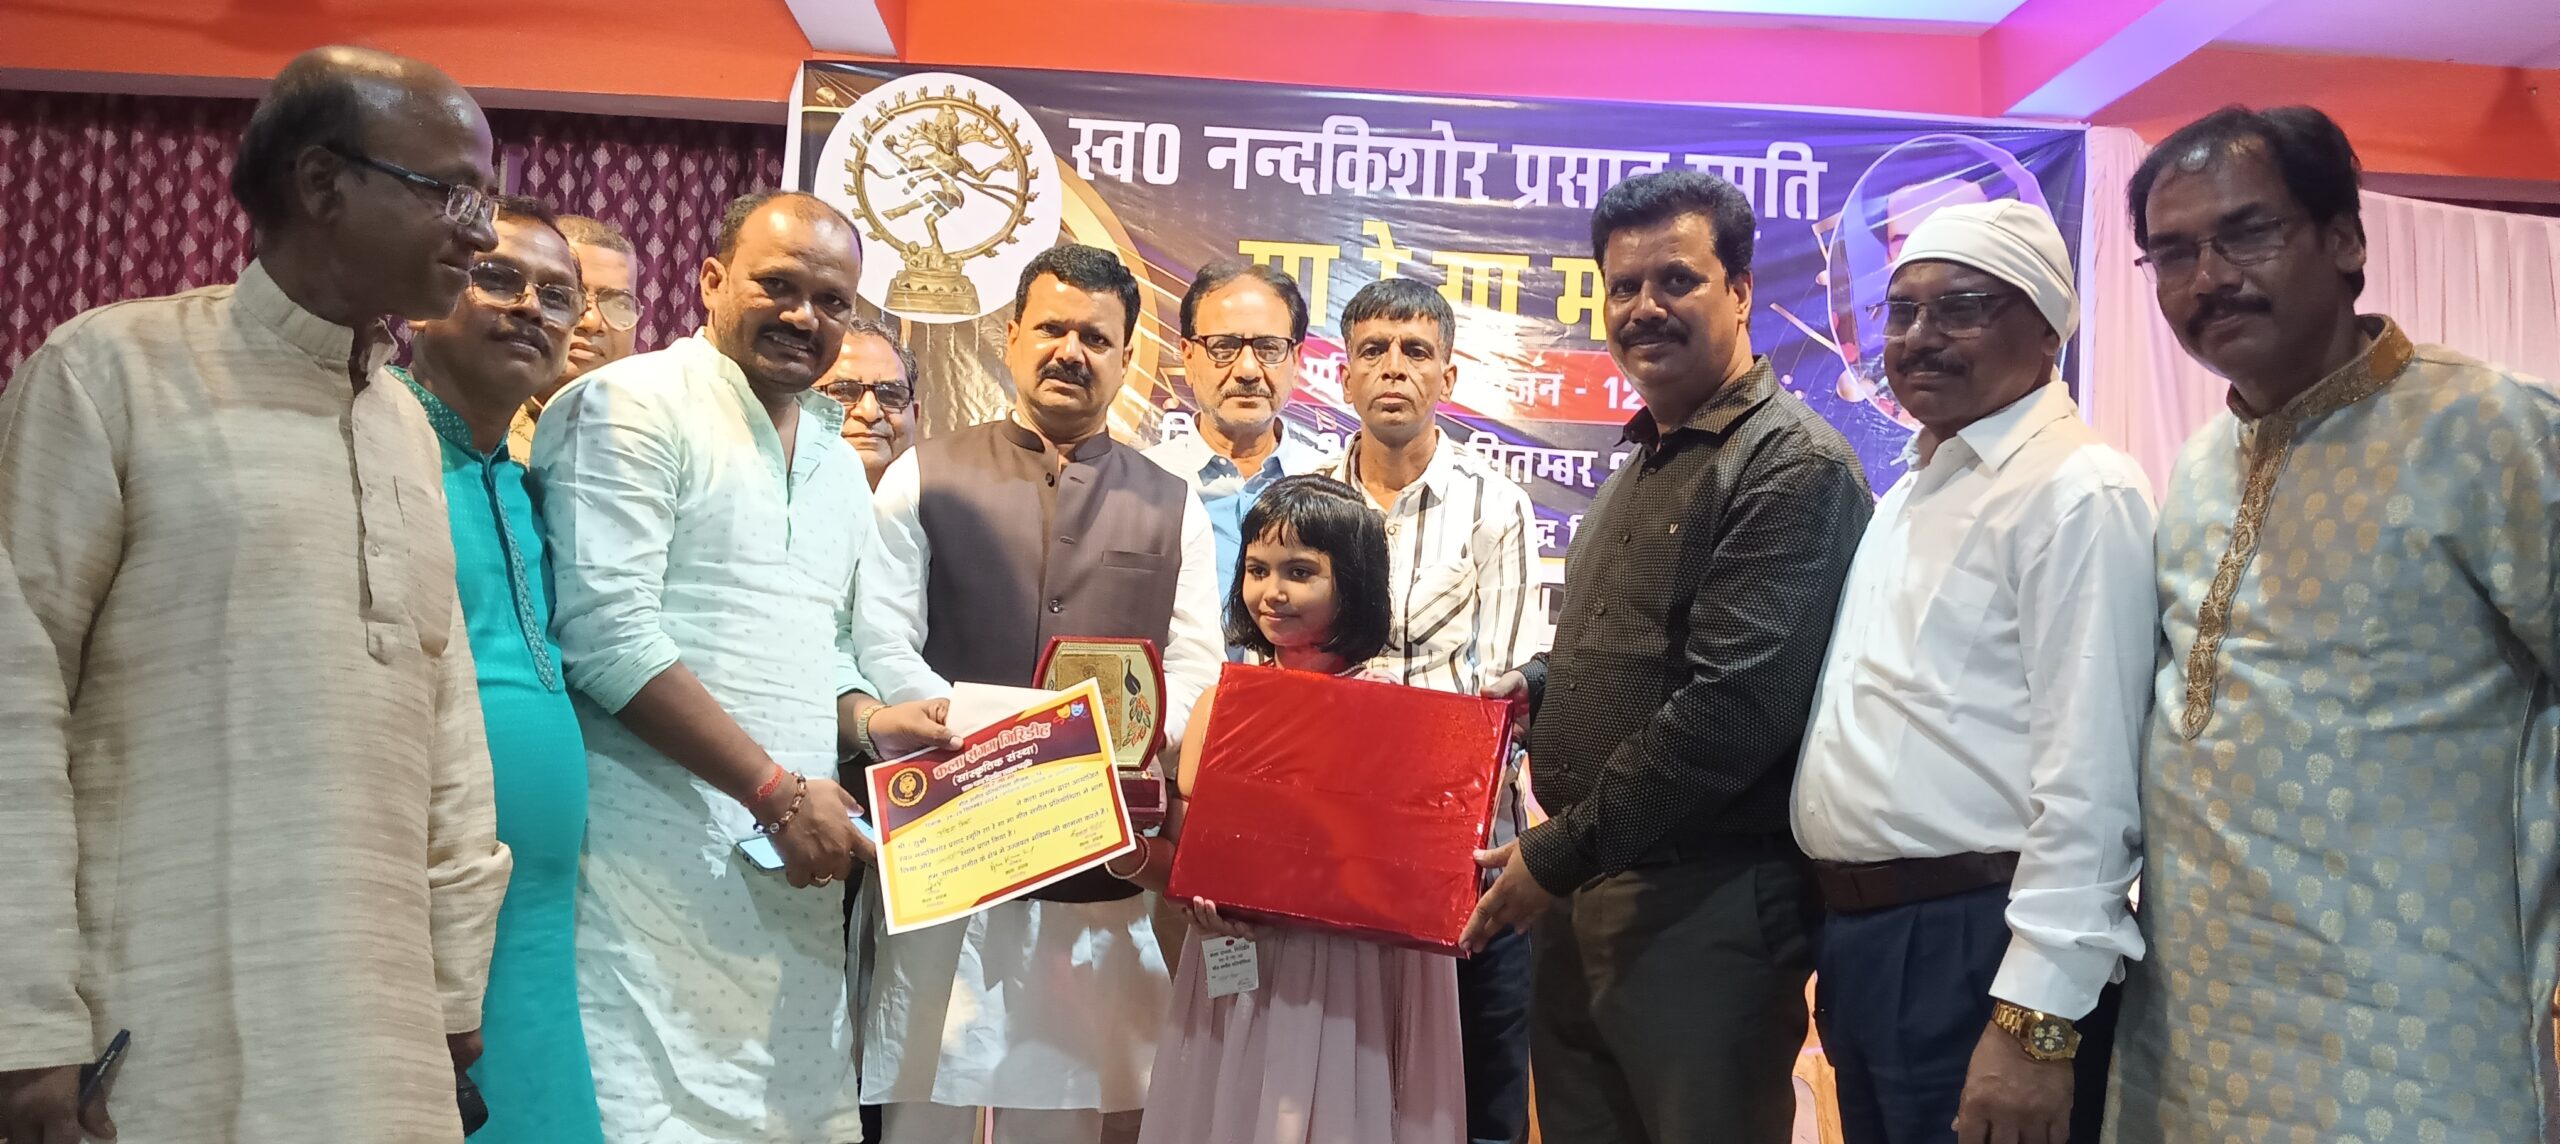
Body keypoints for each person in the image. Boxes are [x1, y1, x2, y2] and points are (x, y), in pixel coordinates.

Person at [0, 45, 514, 1143]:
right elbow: (13, 702)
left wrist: (451, 983)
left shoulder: (403, 426)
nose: (481, 233)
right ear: (322, 183)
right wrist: (23, 1022)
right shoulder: (109, 371)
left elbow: (446, 718)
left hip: (384, 1036)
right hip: (147, 1032)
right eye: (452, 193)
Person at [2107, 106, 2560, 1144]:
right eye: (2172, 254)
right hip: (2193, 1033)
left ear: (2345, 239)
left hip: (2416, 1035)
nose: (2209, 278)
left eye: (2248, 233)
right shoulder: (2200, 466)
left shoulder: (2490, 431)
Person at [1460, 169, 1874, 1144]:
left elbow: (1732, 710)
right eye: (1622, 286)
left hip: (1705, 909)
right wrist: (1539, 687)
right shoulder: (1642, 458)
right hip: (1588, 891)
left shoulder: (1790, 465)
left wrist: (1554, 854)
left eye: (1676, 280)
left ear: (1741, 290)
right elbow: (1641, 652)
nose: (1643, 306)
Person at [534, 190, 951, 1143]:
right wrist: (770, 789)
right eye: (779, 286)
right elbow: (608, 637)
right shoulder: (627, 405)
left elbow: (819, 647)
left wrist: (873, 720)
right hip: (645, 872)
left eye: (832, 301)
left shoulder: (839, 466)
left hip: (791, 877)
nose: (805, 317)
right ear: (712, 280)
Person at [1791, 200, 2151, 1144]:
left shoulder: (2078, 492)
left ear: (2048, 330)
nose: (1918, 338)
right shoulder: (1917, 486)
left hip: (1980, 947)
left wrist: (2036, 1018)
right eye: (1902, 311)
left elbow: (2095, 784)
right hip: (1870, 947)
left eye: (1960, 309)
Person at [857, 243, 1224, 1144]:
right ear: (1012, 336)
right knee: (925, 1111)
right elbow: (882, 640)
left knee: (1061, 1112)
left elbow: (1194, 666)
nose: (1071, 351)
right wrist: (989, 746)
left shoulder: (1171, 503)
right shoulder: (923, 474)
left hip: (1092, 854)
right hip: (950, 835)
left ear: (1127, 355)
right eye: (1052, 328)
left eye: (1095, 337)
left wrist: (1109, 753)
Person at [1112, 473, 1466, 1143]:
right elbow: (1184, 862)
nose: (1271, 591)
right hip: (1235, 968)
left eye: (1299, 571)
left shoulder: (1399, 716)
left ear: (1353, 580)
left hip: (1350, 981)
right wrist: (1124, 851)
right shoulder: (1220, 701)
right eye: (1257, 570)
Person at [390, 193, 607, 1144]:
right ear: (431, 290)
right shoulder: (372, 444)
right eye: (499, 277)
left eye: (557, 296)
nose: (531, 308)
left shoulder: (529, 488)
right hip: (417, 919)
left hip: (542, 928)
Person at [1311, 277, 1543, 1144]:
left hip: (1461, 854)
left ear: (1448, 375)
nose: (1393, 368)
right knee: (1340, 1097)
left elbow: (1502, 700)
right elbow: (1277, 672)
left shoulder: (1497, 506)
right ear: (1343, 375)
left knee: (1475, 1107)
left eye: (1415, 351)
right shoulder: (1304, 503)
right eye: (1372, 350)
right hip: (1326, 847)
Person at [1144, 261, 1325, 608]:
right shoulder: (1141, 485)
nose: (1248, 370)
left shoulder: (1327, 482)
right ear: (1188, 357)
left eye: (1269, 348)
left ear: (1297, 360)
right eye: (1224, 346)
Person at [510, 213, 638, 459]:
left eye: (618, 303)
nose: (592, 322)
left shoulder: (652, 430)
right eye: (564, 296)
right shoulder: (481, 421)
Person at [822, 315, 921, 489]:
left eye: (890, 394)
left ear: (915, 414)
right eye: (843, 391)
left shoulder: (945, 503)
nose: (870, 412)